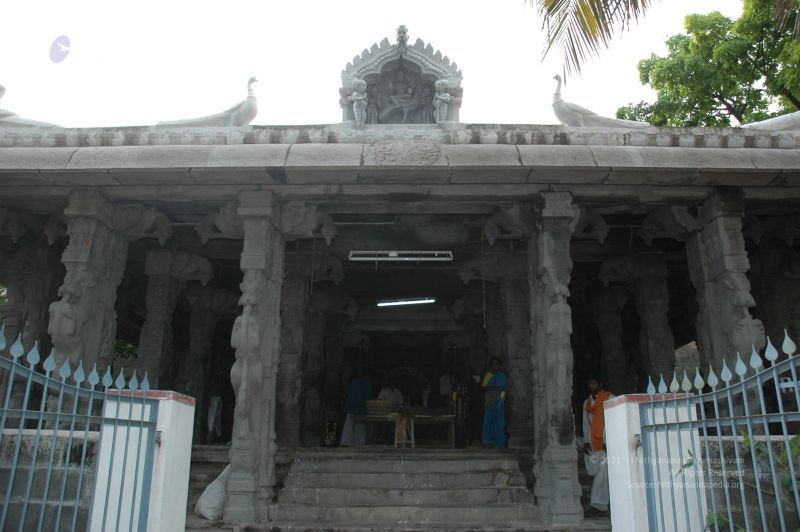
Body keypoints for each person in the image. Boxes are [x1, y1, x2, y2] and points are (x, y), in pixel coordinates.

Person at [582, 376, 615, 516]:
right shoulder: (587, 403)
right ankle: (604, 505)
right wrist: (586, 441)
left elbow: (613, 420)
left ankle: (598, 503)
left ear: (600, 384)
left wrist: (609, 441)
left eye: (594, 383)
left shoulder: (610, 398)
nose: (592, 386)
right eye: (590, 383)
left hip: (607, 442)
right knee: (598, 473)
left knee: (603, 472)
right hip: (593, 442)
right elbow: (585, 422)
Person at [340, 370, 372, 447]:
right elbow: (369, 399)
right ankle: (359, 444)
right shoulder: (367, 384)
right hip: (360, 409)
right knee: (360, 429)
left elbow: (347, 392)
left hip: (351, 408)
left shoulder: (354, 382)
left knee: (348, 426)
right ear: (368, 376)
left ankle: (345, 443)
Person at [481, 357, 507, 448]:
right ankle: (488, 441)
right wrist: (492, 387)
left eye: (496, 364)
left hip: (499, 401)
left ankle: (498, 442)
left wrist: (490, 387)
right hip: (489, 401)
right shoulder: (488, 375)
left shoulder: (502, 375)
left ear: (500, 365)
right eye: (493, 364)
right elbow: (484, 388)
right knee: (487, 420)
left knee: (498, 420)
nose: (495, 366)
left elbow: (501, 387)